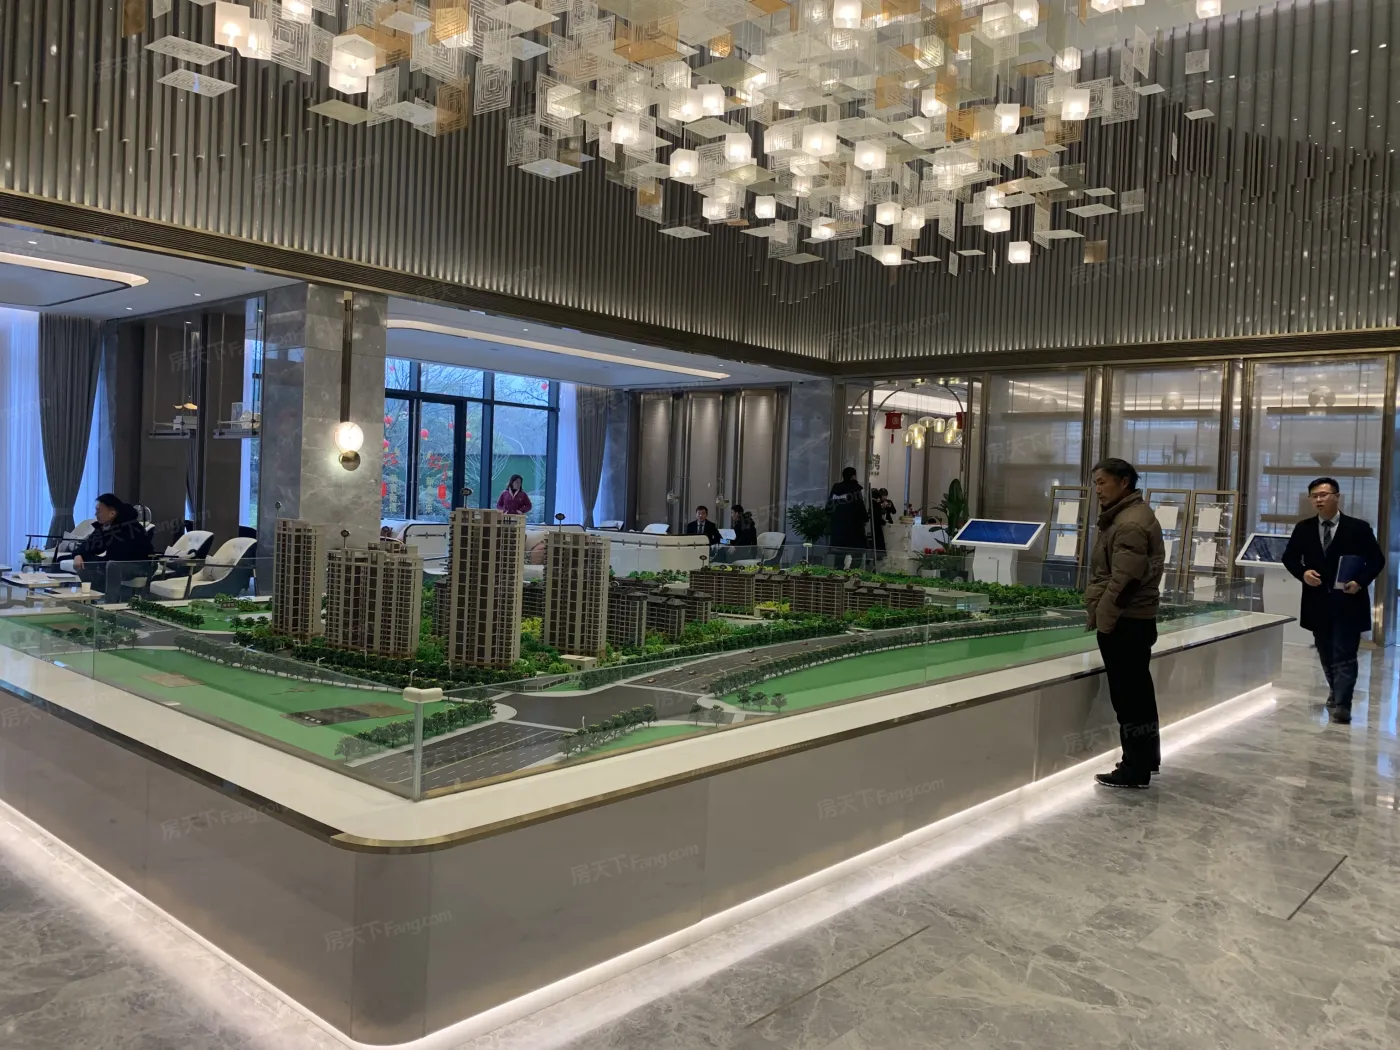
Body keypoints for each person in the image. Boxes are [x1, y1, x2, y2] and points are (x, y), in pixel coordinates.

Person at [1083, 458, 1166, 789]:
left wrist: (1104, 618)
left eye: (1103, 482)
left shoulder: (1130, 523)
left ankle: (1134, 768)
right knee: (1138, 694)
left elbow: (1125, 581)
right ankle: (1145, 759)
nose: (1098, 490)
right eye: (1096, 483)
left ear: (1124, 482)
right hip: (1132, 619)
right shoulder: (1128, 516)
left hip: (1126, 621)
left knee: (1129, 698)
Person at [1281, 477, 1385, 725]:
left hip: (1349, 601)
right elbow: (1289, 558)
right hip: (1317, 602)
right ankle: (1335, 689)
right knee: (1326, 652)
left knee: (1345, 653)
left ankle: (1343, 704)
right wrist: (1303, 573)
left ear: (1337, 497)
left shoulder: (1358, 528)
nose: (1319, 499)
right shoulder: (1304, 528)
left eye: (1324, 494)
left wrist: (1359, 581)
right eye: (1314, 496)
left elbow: (1376, 560)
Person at [71, 494, 154, 595]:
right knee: (86, 561)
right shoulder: (105, 526)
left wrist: (106, 533)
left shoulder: (130, 527)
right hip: (114, 563)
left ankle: (110, 601)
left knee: (112, 565)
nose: (96, 514)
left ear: (112, 513)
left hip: (138, 565)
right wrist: (78, 554)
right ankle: (92, 598)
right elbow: (91, 546)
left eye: (99, 511)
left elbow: (121, 555)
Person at [827, 467, 868, 551]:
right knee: (855, 553)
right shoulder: (855, 488)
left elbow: (829, 506)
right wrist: (865, 518)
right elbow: (860, 507)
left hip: (838, 528)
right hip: (854, 529)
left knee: (839, 553)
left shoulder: (836, 488)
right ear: (853, 476)